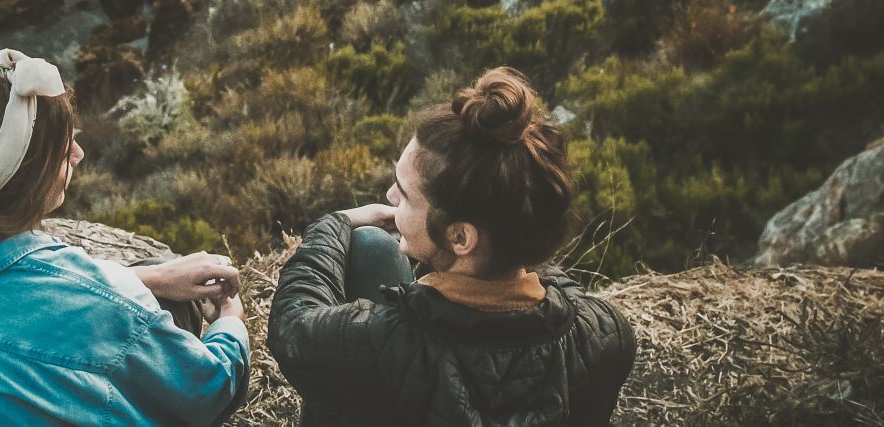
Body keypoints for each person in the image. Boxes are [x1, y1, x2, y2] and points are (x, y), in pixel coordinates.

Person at [0, 49, 248, 426]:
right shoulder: (95, 308)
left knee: (147, 275)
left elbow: (9, 297)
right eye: (61, 151)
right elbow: (210, 391)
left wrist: (150, 278)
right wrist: (230, 317)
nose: (78, 154)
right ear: (24, 180)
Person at [267, 67, 636, 426]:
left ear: (460, 238)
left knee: (368, 245)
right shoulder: (605, 334)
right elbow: (552, 286)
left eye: (406, 195)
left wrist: (336, 222)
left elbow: (293, 327)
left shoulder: (383, 344)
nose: (390, 196)